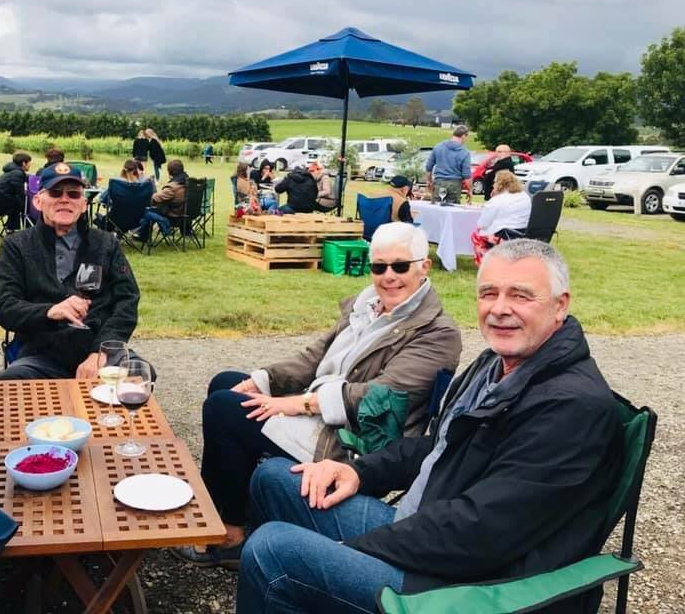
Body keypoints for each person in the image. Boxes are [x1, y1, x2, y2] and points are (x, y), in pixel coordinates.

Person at [237, 239, 622, 614]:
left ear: (560, 305)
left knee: (272, 550)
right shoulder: (495, 365)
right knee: (275, 478)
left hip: (470, 584)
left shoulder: (571, 408)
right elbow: (436, 445)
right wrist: (357, 471)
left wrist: (354, 548)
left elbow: (482, 531)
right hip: (428, 526)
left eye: (520, 295)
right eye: (488, 293)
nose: (499, 309)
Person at [175, 223, 461, 568]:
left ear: (423, 267)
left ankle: (230, 536)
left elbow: (379, 396)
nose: (388, 276)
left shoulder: (438, 333)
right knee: (226, 384)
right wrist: (262, 380)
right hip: (320, 412)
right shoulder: (367, 304)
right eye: (378, 266)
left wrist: (296, 404)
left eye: (400, 266)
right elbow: (315, 357)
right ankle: (240, 507)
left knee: (224, 410)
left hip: (352, 439)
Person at [0, 162, 151, 379]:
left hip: (99, 349)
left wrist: (100, 352)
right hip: (43, 353)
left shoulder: (106, 243)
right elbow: (5, 307)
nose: (65, 199)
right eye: (55, 192)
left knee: (140, 375)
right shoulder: (17, 245)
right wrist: (50, 311)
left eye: (73, 194)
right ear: (38, 201)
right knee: (13, 380)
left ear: (84, 204)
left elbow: (127, 300)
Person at [471, 171, 532, 264]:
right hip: (524, 233)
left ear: (499, 184)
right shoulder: (525, 196)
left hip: (505, 235)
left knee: (476, 235)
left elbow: (482, 224)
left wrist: (493, 198)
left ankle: (484, 264)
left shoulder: (497, 200)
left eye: (494, 182)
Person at [130, 159, 187, 243]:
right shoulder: (187, 183)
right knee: (152, 211)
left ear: (170, 172)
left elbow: (155, 198)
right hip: (184, 215)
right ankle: (141, 233)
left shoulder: (173, 187)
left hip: (172, 216)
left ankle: (142, 235)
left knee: (147, 212)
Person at [425, 124, 471, 204]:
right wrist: (470, 190)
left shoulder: (438, 147)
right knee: (452, 209)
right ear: (463, 136)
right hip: (454, 185)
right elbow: (467, 175)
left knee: (436, 207)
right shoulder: (465, 152)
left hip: (439, 183)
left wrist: (429, 182)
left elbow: (429, 167)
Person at [0, 151, 32, 232]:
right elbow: (20, 193)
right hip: (0, 204)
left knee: (16, 202)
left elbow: (25, 177)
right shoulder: (17, 174)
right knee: (18, 203)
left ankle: (10, 227)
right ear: (24, 163)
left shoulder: (13, 171)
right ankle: (12, 229)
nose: (30, 165)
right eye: (29, 162)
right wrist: (27, 207)